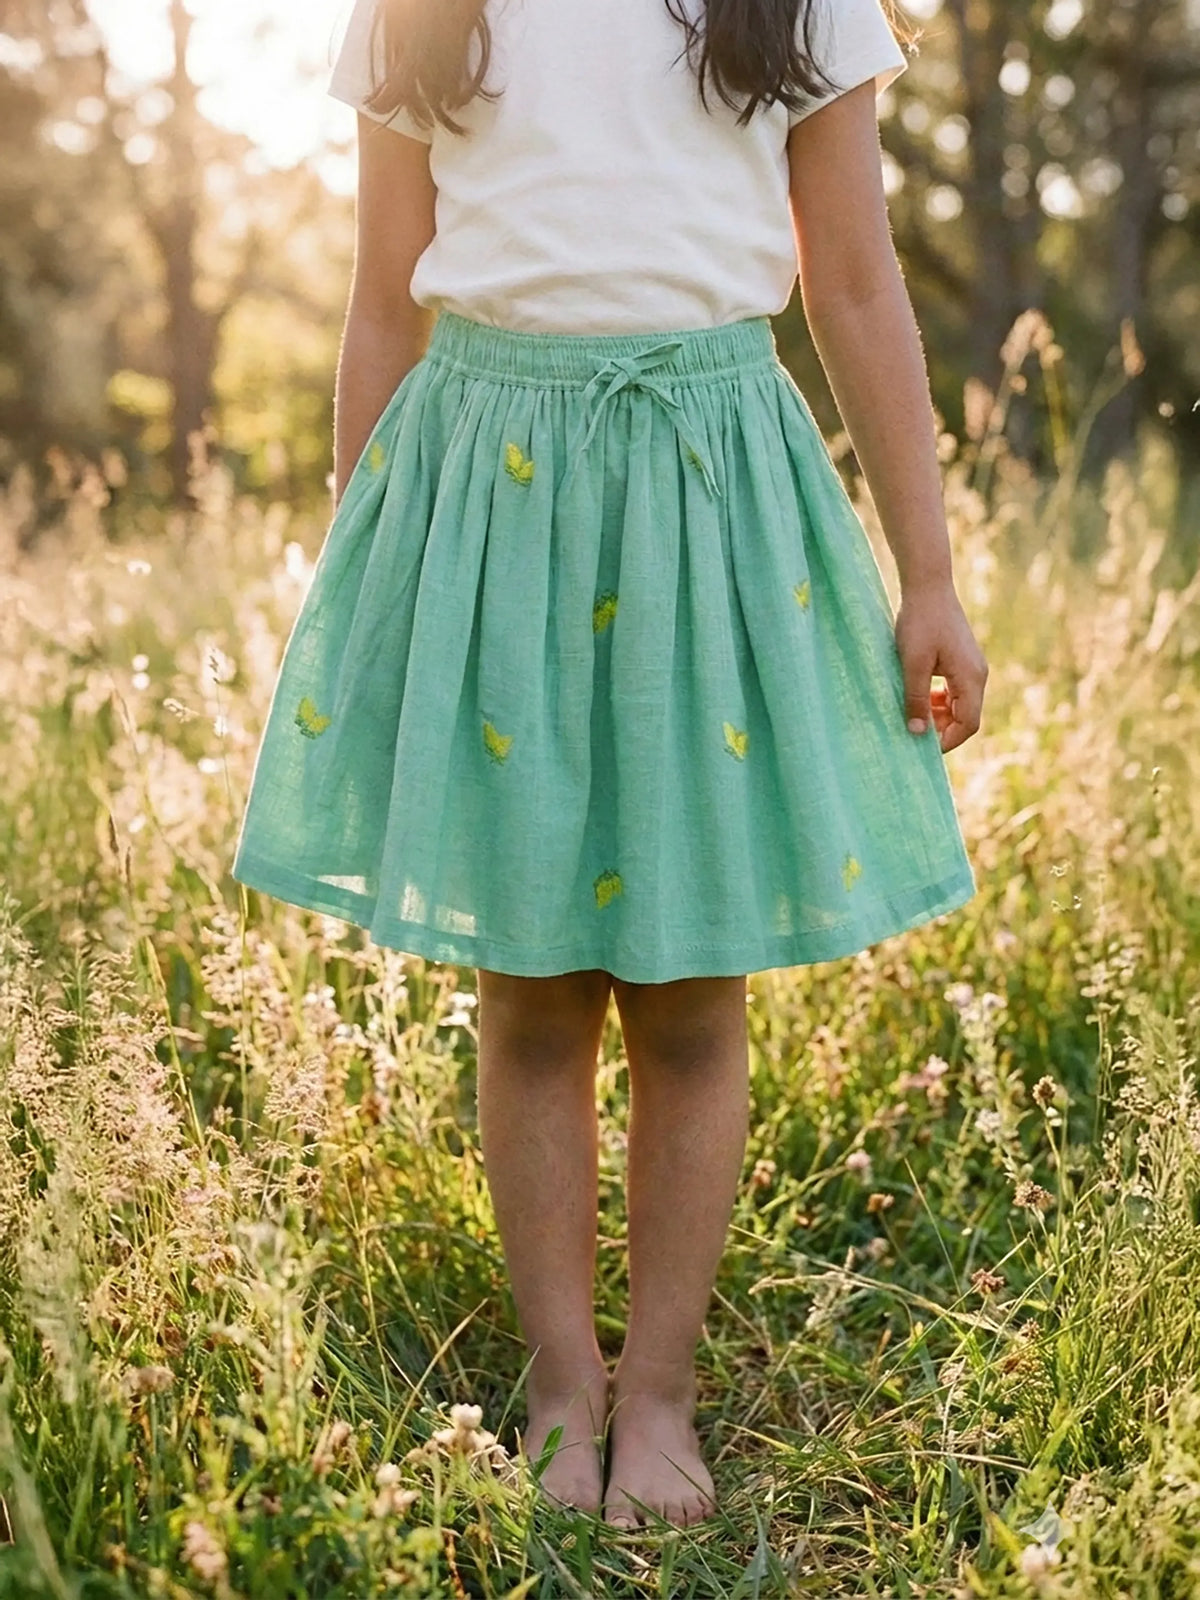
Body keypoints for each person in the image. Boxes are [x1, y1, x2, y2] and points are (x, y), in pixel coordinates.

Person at [233, 0, 987, 1530]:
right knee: (531, 987)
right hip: (490, 495)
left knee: (692, 992)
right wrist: (367, 581)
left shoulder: (803, 4)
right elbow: (384, 298)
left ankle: (659, 1392)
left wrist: (930, 571)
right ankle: (562, 1386)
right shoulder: (423, 10)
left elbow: (851, 282)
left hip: (710, 495)